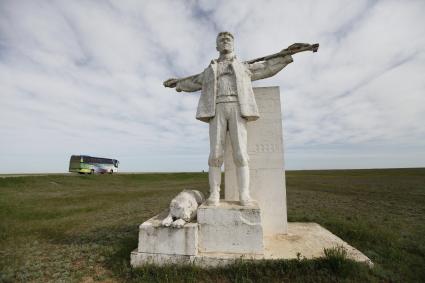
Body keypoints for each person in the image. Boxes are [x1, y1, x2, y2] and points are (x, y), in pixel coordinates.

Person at [164, 32, 294, 206]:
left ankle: (244, 195)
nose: (225, 41)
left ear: (233, 45)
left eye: (229, 39)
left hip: (237, 108)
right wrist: (178, 83)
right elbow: (194, 81)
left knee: (241, 154)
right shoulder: (211, 69)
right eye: (221, 40)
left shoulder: (243, 66)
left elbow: (266, 67)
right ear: (217, 46)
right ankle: (214, 195)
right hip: (216, 108)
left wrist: (285, 57)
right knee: (215, 154)